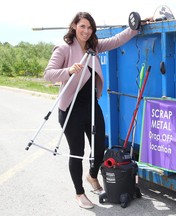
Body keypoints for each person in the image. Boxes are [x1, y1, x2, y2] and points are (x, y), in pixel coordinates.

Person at [44, 12, 145, 209]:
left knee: (99, 148)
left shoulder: (94, 47)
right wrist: (69, 70)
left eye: (89, 28)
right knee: (77, 152)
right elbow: (48, 74)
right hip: (71, 109)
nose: (86, 31)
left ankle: (92, 176)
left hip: (91, 106)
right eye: (82, 26)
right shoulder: (64, 49)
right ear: (74, 26)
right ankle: (79, 193)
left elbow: (116, 40)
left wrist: (135, 26)